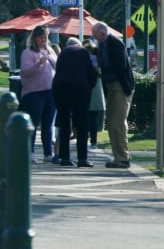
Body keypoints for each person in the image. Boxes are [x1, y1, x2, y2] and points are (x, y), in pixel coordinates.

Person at [92, 22, 135, 169]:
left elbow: (120, 66)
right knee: (111, 123)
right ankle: (119, 156)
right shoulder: (105, 45)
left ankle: (122, 157)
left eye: (95, 36)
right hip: (112, 86)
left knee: (117, 122)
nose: (94, 38)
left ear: (102, 34)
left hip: (120, 86)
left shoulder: (115, 44)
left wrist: (102, 70)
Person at [52, 38, 99, 167]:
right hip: (80, 90)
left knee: (65, 124)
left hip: (61, 89)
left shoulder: (63, 54)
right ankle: (82, 158)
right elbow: (91, 73)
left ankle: (64, 157)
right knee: (82, 124)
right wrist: (91, 85)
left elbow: (57, 73)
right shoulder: (83, 52)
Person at [19, 25, 57, 163]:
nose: (44, 40)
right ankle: (30, 152)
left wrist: (51, 60)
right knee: (33, 123)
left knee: (48, 124)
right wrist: (38, 64)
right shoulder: (28, 53)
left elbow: (56, 66)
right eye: (41, 37)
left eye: (46, 37)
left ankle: (48, 153)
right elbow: (25, 72)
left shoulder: (50, 51)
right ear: (35, 38)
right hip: (34, 92)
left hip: (50, 91)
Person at [83, 39, 106, 149]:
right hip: (96, 91)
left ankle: (87, 139)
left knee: (86, 117)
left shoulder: (88, 60)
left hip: (88, 90)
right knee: (93, 118)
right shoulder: (99, 60)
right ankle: (93, 140)